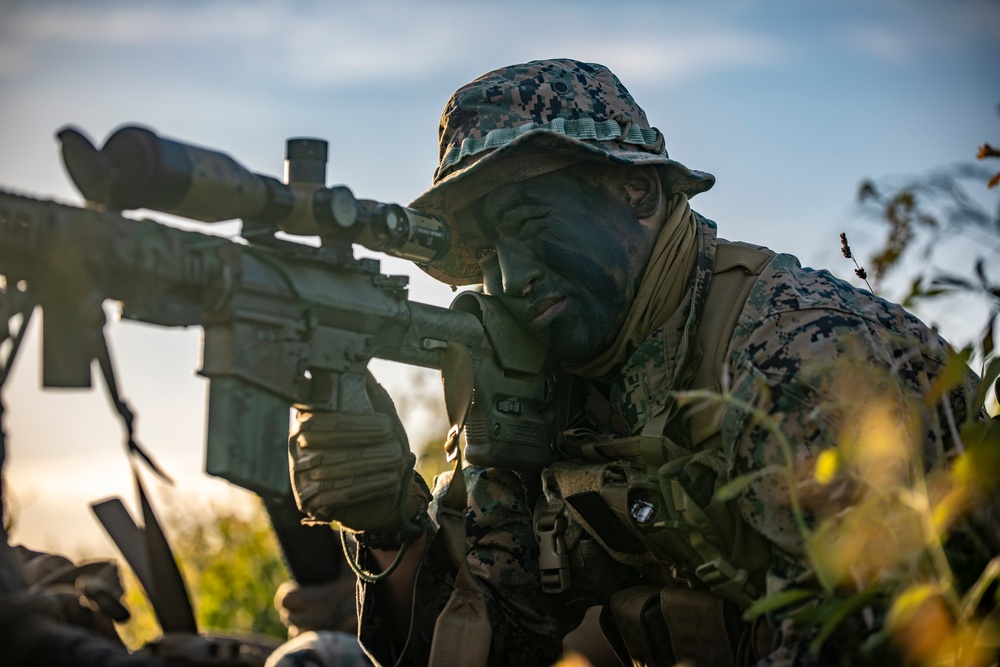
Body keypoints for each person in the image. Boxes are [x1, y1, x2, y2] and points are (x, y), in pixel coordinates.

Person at [287, 59, 992, 666]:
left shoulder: (803, 352)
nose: (510, 278)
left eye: (529, 224)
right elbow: (492, 640)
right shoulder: (536, 382)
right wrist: (386, 527)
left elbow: (879, 638)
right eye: (486, 255)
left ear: (640, 193)